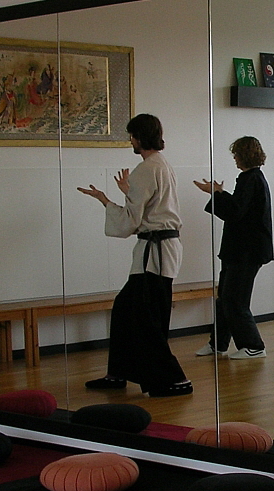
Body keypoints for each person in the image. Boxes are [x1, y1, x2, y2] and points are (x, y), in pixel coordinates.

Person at [78, 113, 192, 397]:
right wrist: (127, 193)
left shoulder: (146, 169)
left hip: (155, 254)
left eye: (131, 135)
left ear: (140, 137)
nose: (130, 140)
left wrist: (105, 200)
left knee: (147, 320)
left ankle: (174, 379)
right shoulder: (162, 165)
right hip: (159, 250)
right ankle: (118, 373)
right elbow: (146, 205)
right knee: (125, 309)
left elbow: (132, 219)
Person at [193, 136, 273, 360]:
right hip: (237, 250)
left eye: (236, 155)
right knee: (224, 298)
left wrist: (217, 193)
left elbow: (236, 212)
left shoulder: (252, 179)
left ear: (244, 155)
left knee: (235, 300)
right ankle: (218, 343)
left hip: (247, 251)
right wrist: (218, 193)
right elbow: (239, 209)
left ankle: (254, 345)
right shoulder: (249, 178)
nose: (235, 159)